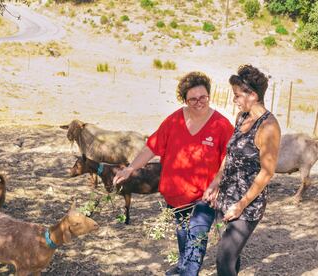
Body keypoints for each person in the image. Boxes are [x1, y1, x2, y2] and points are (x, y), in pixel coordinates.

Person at [113, 71, 234, 276]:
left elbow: (229, 158)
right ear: (185, 100)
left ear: (209, 95)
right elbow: (151, 147)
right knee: (182, 233)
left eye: (203, 97)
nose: (199, 102)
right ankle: (182, 265)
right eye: (193, 99)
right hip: (176, 196)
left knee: (196, 237)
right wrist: (130, 168)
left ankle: (188, 271)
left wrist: (217, 184)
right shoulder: (174, 120)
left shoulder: (221, 125)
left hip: (204, 197)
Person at [203, 64, 281, 276]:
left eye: (237, 95)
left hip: (247, 205)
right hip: (225, 197)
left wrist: (240, 205)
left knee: (224, 258)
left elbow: (267, 172)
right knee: (230, 255)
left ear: (253, 95)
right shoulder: (242, 118)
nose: (234, 100)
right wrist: (216, 181)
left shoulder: (269, 127)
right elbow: (230, 154)